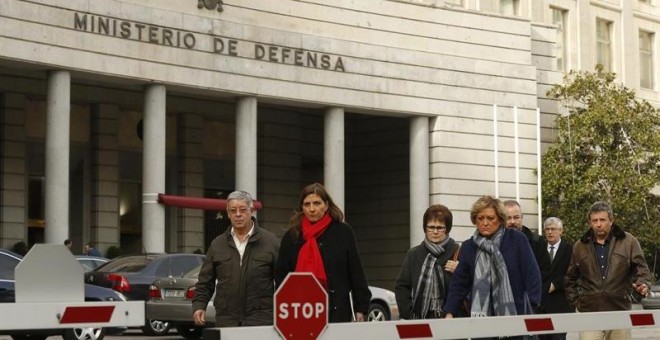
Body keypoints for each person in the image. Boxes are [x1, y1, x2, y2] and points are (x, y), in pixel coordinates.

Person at [444, 196, 541, 340]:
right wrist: (449, 312)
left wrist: (532, 306)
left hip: (516, 315)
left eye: (490, 218)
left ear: (500, 219)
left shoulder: (517, 239)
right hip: (482, 321)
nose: (485, 223)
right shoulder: (469, 247)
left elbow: (532, 274)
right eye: (480, 218)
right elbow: (459, 283)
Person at [275, 183, 371, 323]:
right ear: (302, 207)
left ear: (326, 206)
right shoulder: (292, 236)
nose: (312, 209)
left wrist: (361, 307)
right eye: (307, 204)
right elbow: (281, 277)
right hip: (300, 311)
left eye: (317, 203)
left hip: (337, 310)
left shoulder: (343, 232)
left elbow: (356, 271)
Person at [565, 201, 652, 340]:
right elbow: (570, 278)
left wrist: (643, 283)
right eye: (594, 220)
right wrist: (576, 302)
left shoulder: (629, 241)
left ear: (611, 221)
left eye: (602, 220)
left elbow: (641, 267)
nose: (598, 224)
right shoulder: (580, 246)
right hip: (589, 312)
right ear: (590, 222)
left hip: (619, 309)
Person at [193, 190, 280, 327]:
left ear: (252, 211)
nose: (238, 214)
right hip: (227, 318)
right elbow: (205, 281)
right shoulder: (218, 244)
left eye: (242, 210)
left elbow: (283, 281)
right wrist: (199, 305)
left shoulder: (270, 242)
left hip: (260, 318)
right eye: (233, 211)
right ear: (228, 214)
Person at [395, 204, 461, 319]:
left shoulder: (458, 252)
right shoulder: (414, 254)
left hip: (451, 319)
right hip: (420, 320)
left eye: (440, 228)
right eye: (431, 227)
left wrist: (459, 271)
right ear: (425, 228)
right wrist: (409, 312)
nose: (435, 231)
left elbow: (467, 285)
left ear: (447, 229)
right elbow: (402, 286)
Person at [504, 200, 552, 307]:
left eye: (516, 217)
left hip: (530, 305)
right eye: (508, 218)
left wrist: (534, 301)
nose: (512, 222)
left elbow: (545, 275)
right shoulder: (495, 243)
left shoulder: (537, 242)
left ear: (522, 217)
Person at [539, 217, 573, 340]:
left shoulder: (570, 249)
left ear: (561, 231)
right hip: (541, 304)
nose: (549, 232)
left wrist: (557, 284)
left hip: (561, 303)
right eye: (547, 229)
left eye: (553, 229)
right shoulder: (539, 248)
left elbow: (573, 274)